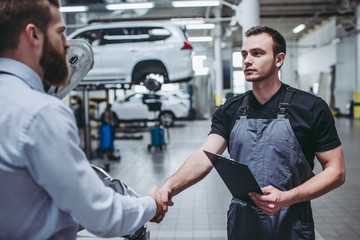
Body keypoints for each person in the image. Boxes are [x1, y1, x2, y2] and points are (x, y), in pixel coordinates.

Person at [156, 26, 346, 239]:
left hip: (290, 223)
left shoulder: (310, 107)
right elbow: (204, 157)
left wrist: (287, 198)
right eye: (244, 54)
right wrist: (169, 187)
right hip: (242, 224)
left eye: (257, 53)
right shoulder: (231, 108)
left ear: (279, 59)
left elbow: (336, 171)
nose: (247, 60)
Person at [0, 1, 164, 239]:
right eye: (60, 32)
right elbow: (102, 216)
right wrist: (151, 204)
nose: (67, 44)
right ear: (34, 34)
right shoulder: (40, 112)